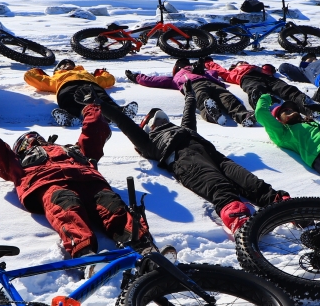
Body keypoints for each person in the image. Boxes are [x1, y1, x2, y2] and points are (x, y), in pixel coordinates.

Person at [0, 100, 145, 258]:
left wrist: (91, 107)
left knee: (113, 206)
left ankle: (143, 247)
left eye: (36, 138)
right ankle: (84, 252)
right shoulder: (15, 162)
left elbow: (94, 134)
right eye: (28, 141)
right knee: (66, 208)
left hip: (90, 182)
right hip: (50, 184)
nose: (34, 142)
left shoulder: (71, 150)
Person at [99, 91, 287, 237]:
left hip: (213, 155)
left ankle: (288, 208)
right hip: (184, 160)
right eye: (154, 118)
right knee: (219, 188)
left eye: (163, 116)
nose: (161, 117)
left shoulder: (183, 129)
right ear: (147, 127)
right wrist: (100, 104)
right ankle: (240, 221)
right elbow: (124, 122)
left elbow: (188, 115)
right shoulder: (148, 142)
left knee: (250, 182)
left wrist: (190, 96)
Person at [125, 59, 255, 126]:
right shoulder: (175, 78)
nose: (185, 66)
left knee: (229, 98)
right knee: (202, 99)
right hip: (193, 85)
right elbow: (153, 80)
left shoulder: (198, 70)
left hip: (213, 84)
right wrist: (136, 77)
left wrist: (202, 71)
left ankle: (244, 117)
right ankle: (212, 115)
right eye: (182, 65)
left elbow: (213, 73)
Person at [23, 59, 135, 127]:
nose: (67, 65)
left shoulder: (86, 74)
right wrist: (37, 71)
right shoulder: (56, 77)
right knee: (68, 99)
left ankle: (118, 115)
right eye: (63, 65)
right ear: (58, 69)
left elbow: (109, 80)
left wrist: (100, 72)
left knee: (102, 97)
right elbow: (31, 77)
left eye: (70, 63)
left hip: (90, 84)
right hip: (67, 86)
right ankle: (72, 117)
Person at [203, 59, 320, 115]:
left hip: (268, 78)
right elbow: (218, 69)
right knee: (255, 89)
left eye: (244, 61)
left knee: (287, 89)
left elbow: (269, 69)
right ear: (234, 66)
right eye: (240, 63)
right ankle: (260, 106)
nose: (243, 62)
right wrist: (208, 62)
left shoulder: (257, 67)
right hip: (247, 78)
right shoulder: (231, 73)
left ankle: (308, 106)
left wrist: (267, 67)